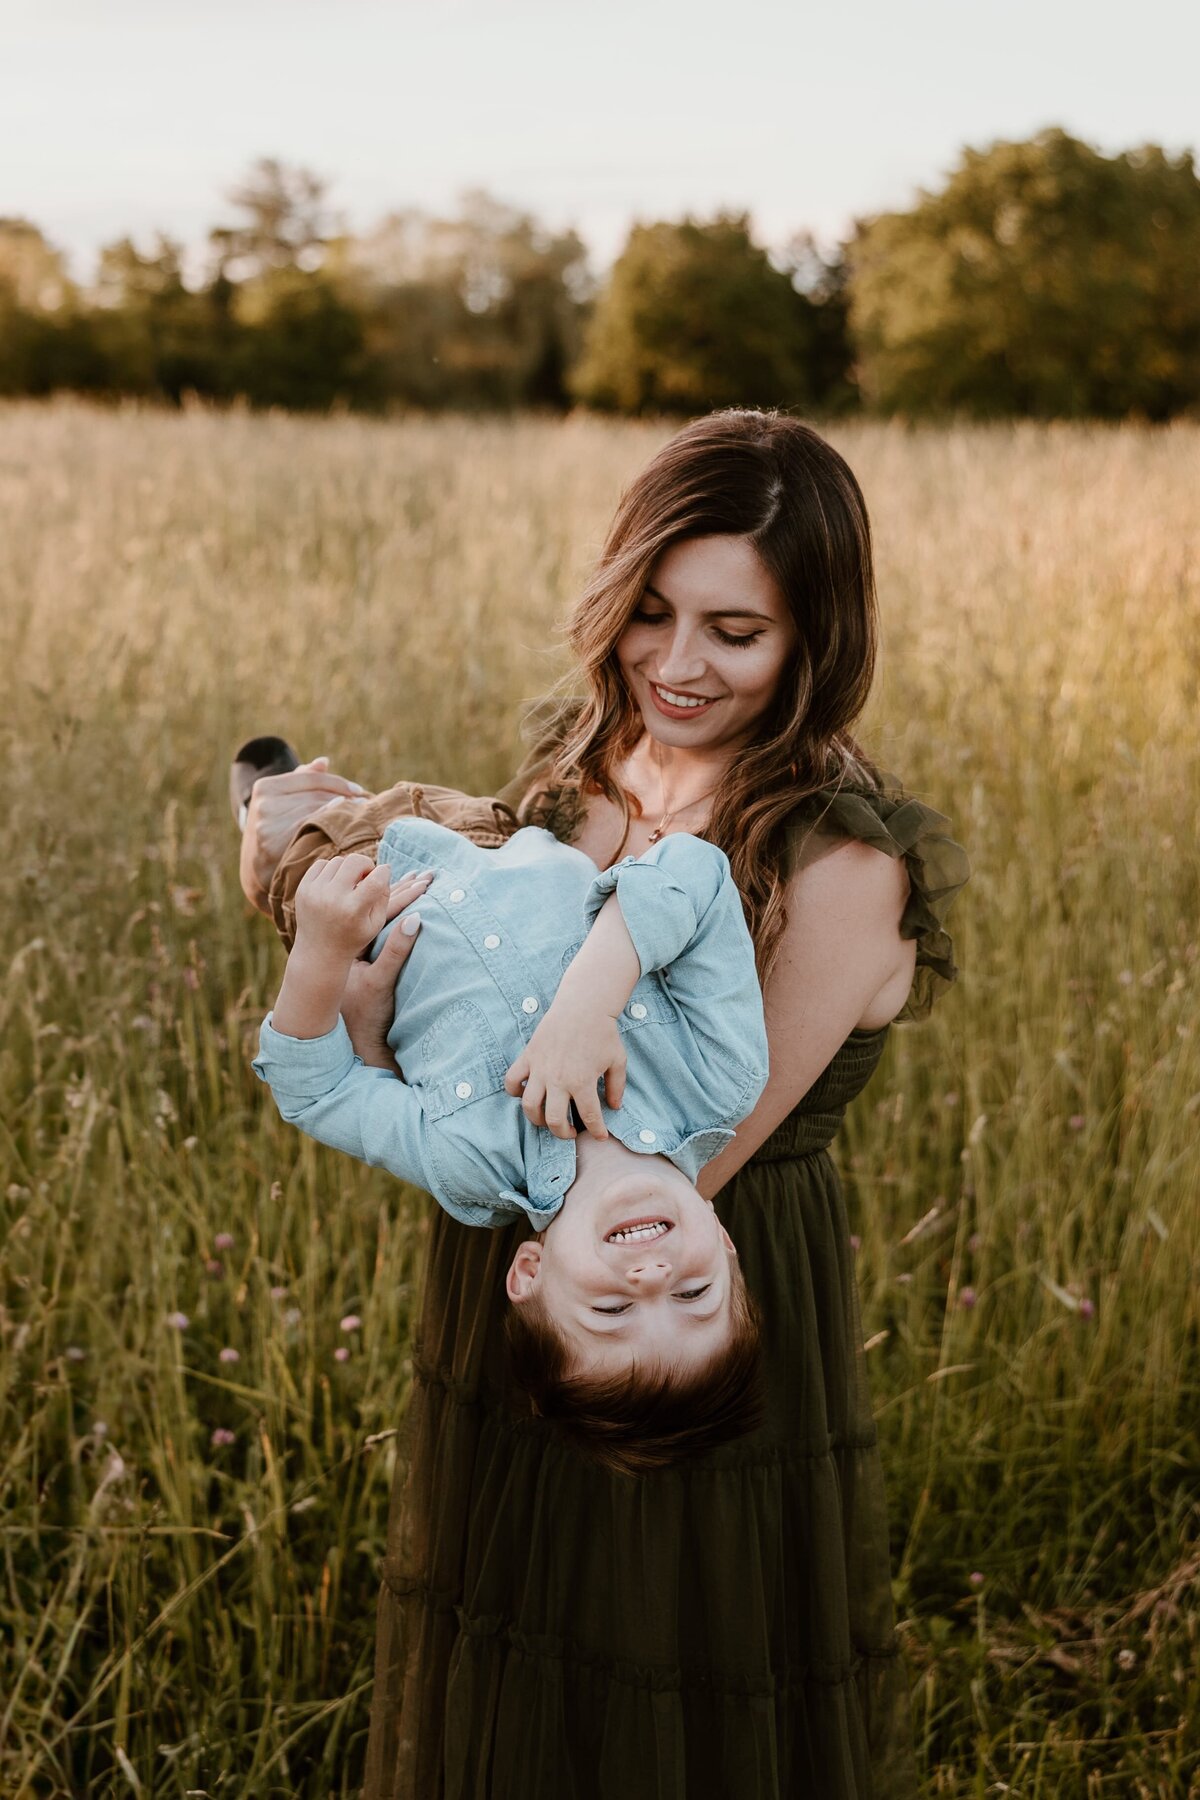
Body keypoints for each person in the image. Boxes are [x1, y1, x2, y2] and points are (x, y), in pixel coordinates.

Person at [238, 409, 970, 1798]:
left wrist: (494, 1029)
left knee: (669, 1656)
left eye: (734, 632)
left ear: (816, 638)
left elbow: (685, 1163)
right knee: (518, 1633)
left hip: (680, 1286)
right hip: (521, 1269)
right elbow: (442, 1000)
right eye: (649, 611)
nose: (677, 665)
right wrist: (336, 934)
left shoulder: (834, 862)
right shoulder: (587, 764)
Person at [250, 819, 769, 1469]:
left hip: (359, 884)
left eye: (612, 1308)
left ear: (530, 1274)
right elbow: (692, 869)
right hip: (483, 823)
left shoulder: (468, 1162)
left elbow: (313, 1093)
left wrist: (321, 956)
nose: (653, 1276)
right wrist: (588, 1004)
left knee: (279, 820)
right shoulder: (719, 1078)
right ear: (725, 1244)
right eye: (694, 1296)